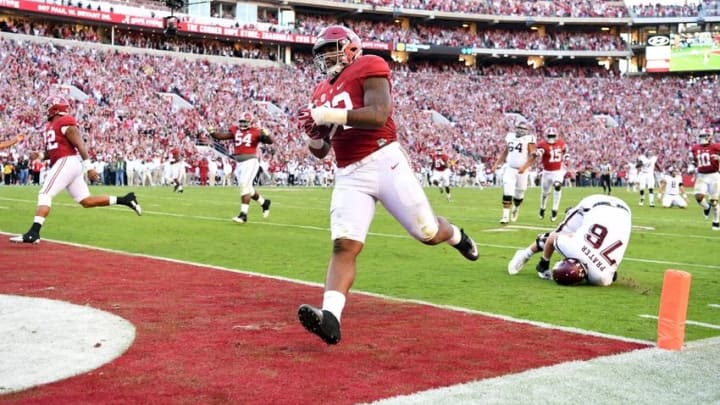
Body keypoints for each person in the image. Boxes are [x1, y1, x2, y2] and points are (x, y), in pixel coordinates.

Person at [295, 25, 479, 345]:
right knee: (344, 244)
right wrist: (313, 133)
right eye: (321, 52)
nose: (325, 57)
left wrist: (327, 114)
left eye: (331, 49)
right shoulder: (320, 91)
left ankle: (456, 235)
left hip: (384, 161)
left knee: (427, 233)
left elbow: (379, 114)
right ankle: (331, 318)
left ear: (351, 47)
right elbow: (321, 150)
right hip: (348, 172)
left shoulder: (370, 65)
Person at [9, 96, 141, 244]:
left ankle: (34, 233)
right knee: (86, 201)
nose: (46, 109)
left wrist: (89, 168)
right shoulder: (52, 126)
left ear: (56, 109)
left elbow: (80, 145)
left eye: (49, 106)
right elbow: (52, 150)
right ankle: (125, 199)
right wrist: (39, 155)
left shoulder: (65, 122)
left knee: (45, 193)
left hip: (67, 161)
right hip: (66, 162)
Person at [507, 194, 631, 286]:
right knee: (562, 235)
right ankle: (525, 254)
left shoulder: (602, 278)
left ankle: (525, 254)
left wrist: (544, 263)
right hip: (599, 205)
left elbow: (612, 276)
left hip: (623, 212)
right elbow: (552, 239)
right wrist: (544, 263)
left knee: (561, 234)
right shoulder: (575, 251)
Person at [209, 111, 273, 223]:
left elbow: (270, 141)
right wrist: (211, 131)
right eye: (241, 122)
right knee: (248, 189)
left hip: (250, 161)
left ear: (251, 122)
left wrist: (267, 134)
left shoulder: (256, 132)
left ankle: (243, 215)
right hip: (239, 163)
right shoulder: (235, 130)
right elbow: (220, 136)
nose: (242, 124)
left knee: (244, 185)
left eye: (245, 122)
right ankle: (264, 203)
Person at [491, 120, 536, 224]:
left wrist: (524, 167)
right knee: (507, 191)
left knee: (519, 194)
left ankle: (516, 208)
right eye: (519, 128)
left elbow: (533, 156)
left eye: (523, 129)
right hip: (510, 168)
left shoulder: (528, 139)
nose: (520, 131)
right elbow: (505, 152)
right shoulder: (510, 137)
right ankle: (505, 216)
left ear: (527, 131)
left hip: (522, 170)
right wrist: (497, 163)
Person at [535, 127, 568, 222]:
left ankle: (555, 210)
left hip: (557, 171)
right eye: (550, 136)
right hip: (547, 172)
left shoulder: (561, 143)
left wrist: (566, 155)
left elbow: (565, 149)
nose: (551, 138)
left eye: (553, 136)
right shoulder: (542, 144)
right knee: (545, 193)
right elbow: (540, 152)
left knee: (557, 186)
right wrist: (538, 153)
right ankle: (542, 208)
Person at [690, 128, 720, 230]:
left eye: (704, 136)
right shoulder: (695, 148)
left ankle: (716, 221)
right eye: (701, 136)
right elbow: (695, 161)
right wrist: (692, 166)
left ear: (709, 137)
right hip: (702, 175)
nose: (702, 138)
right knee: (698, 197)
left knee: (714, 201)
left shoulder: (716, 146)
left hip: (714, 176)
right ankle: (707, 207)